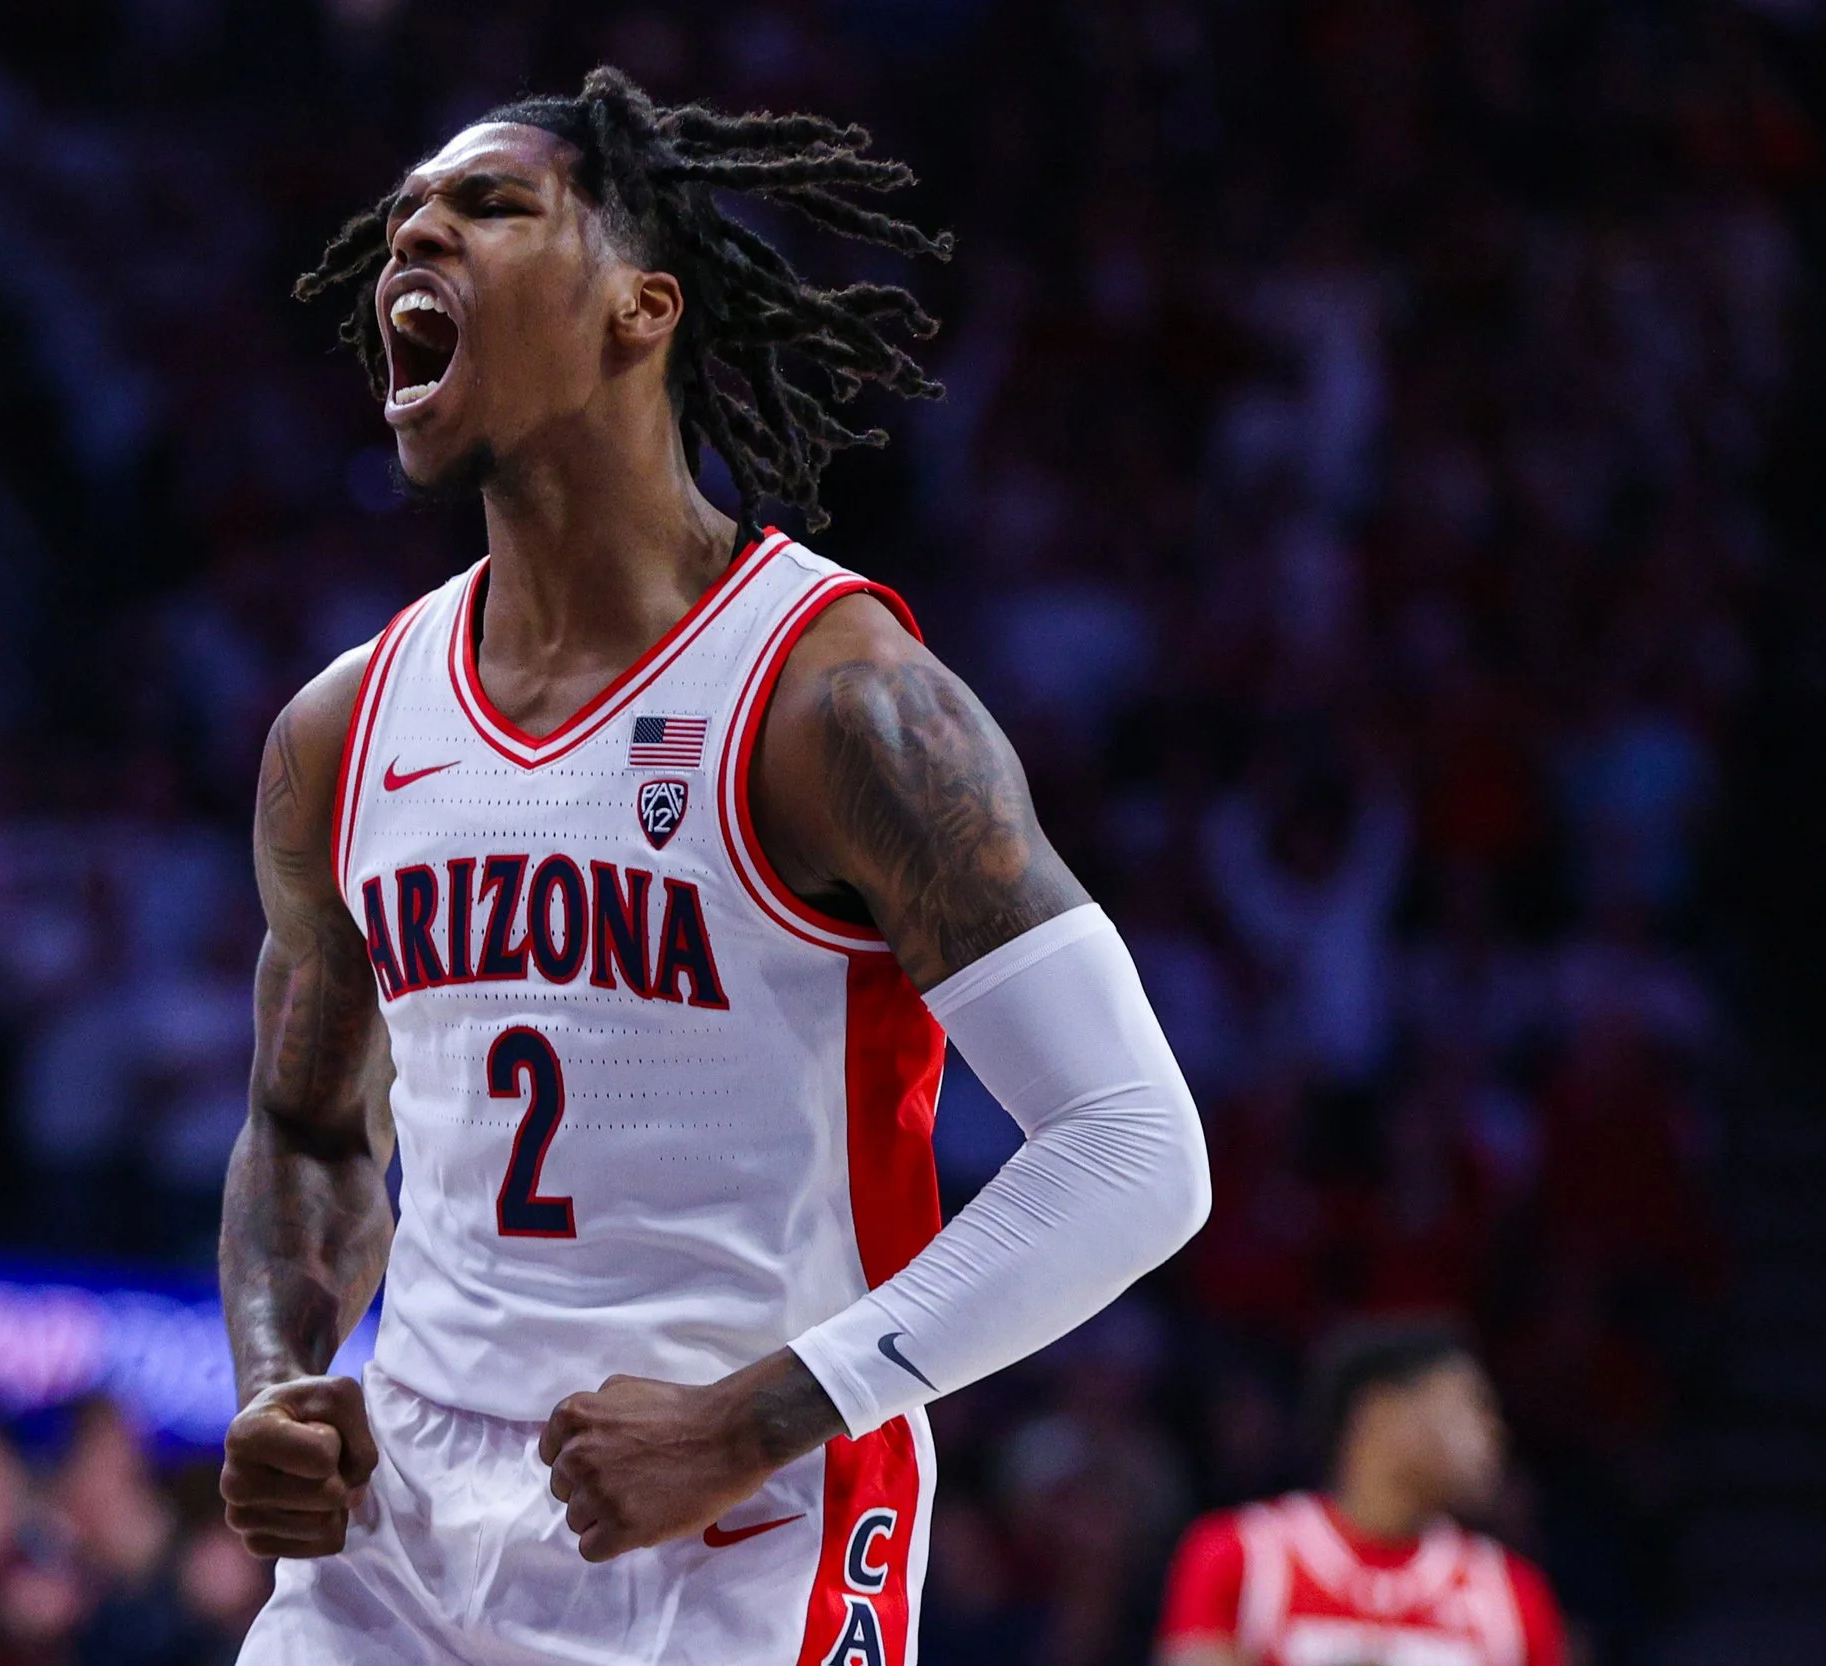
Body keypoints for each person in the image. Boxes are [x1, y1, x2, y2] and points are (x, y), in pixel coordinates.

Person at [216, 65, 1211, 1666]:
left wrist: (755, 1417)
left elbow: (1136, 1147)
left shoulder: (841, 700)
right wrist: (276, 1377)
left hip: (734, 1521)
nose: (416, 237)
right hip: (395, 1522)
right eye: (403, 217)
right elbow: (302, 1127)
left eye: (487, 205)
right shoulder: (343, 727)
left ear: (640, 305)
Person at [1156, 1321, 1568, 1666]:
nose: (1492, 1431)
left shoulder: (1512, 1593)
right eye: (1468, 1405)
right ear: (1383, 1413)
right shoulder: (1241, 1555)